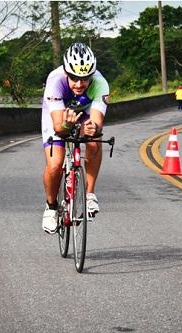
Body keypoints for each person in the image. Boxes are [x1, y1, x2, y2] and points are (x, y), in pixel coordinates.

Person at [41, 43, 110, 234]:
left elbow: (97, 122)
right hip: (58, 116)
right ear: (65, 72)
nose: (79, 84)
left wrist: (91, 128)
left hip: (84, 113)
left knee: (94, 142)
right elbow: (58, 127)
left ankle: (89, 194)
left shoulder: (101, 83)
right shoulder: (55, 81)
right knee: (55, 164)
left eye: (85, 79)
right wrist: (67, 126)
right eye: (74, 78)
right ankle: (51, 207)